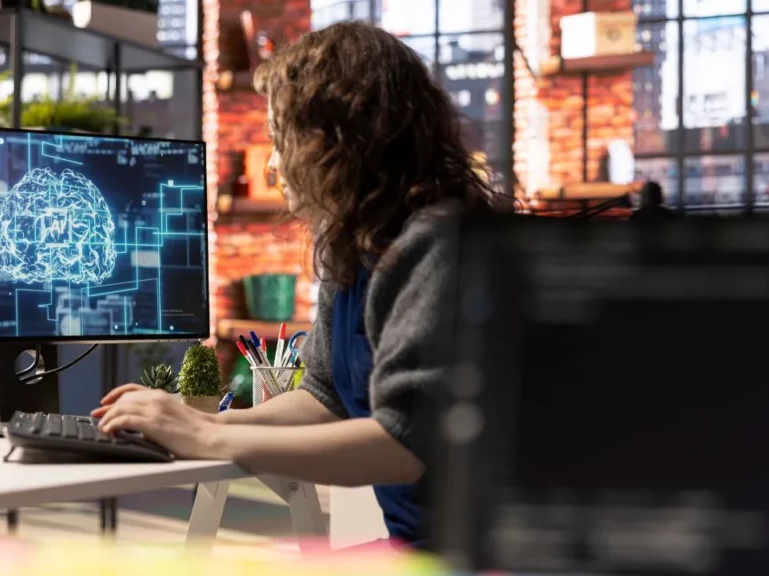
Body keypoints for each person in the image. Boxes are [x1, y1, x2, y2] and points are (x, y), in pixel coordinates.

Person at [91, 21, 514, 549]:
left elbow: (404, 446)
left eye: (280, 140)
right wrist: (200, 421)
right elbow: (324, 396)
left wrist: (206, 436)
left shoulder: (436, 243)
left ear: (340, 141)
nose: (271, 164)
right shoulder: (355, 245)